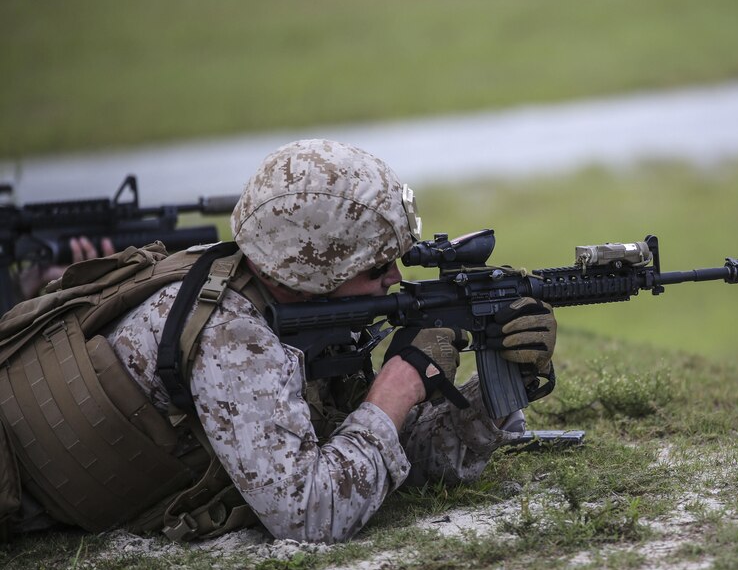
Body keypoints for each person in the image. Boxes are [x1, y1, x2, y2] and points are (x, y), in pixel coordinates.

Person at [0, 139, 556, 543]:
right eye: (378, 267)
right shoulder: (233, 338)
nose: (395, 280)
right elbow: (313, 514)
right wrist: (400, 382)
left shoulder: (296, 307)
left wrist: (500, 386)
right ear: (312, 273)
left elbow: (394, 459)